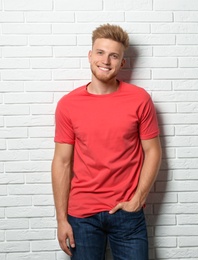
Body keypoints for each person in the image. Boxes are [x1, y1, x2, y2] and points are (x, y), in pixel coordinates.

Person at [51, 24, 162, 260]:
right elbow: (61, 162)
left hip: (127, 213)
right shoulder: (69, 104)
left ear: (122, 62)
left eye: (114, 55)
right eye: (100, 52)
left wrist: (138, 199)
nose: (106, 60)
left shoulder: (139, 99)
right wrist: (61, 220)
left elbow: (152, 151)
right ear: (90, 56)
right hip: (82, 216)